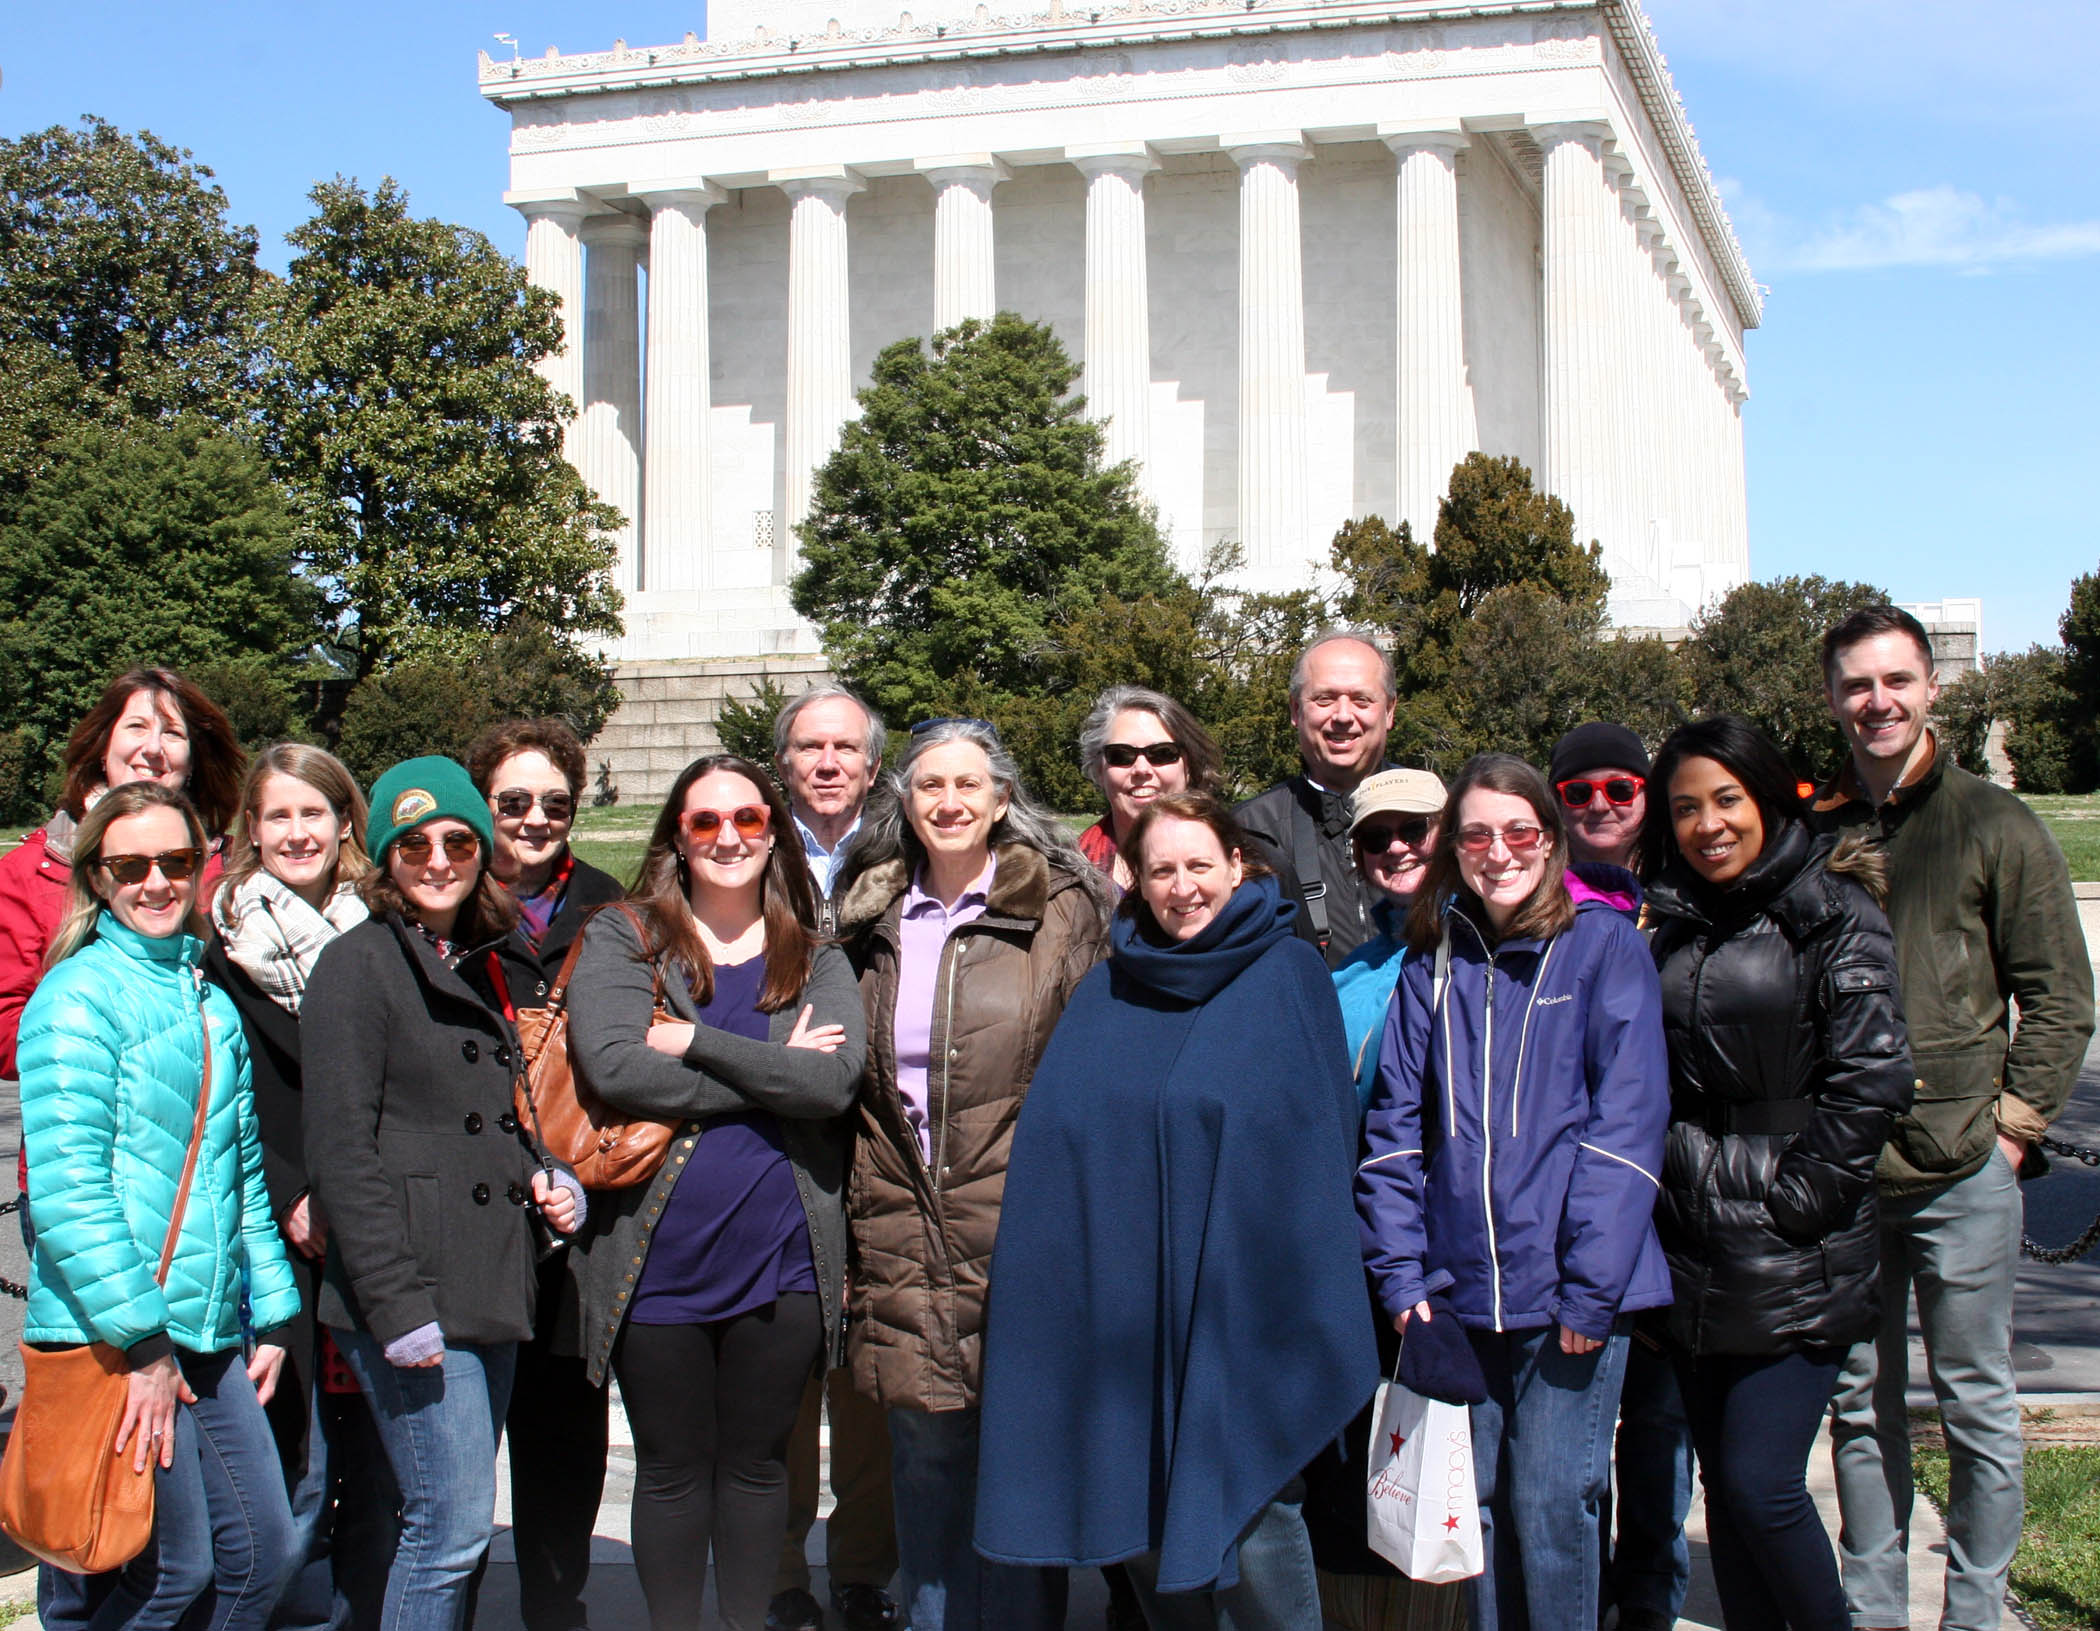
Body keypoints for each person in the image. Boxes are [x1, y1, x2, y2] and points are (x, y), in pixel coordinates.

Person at [976, 792, 1377, 1626]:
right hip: (1126, 1316)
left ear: (1240, 865)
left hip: (1247, 1306)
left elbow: (1313, 1149)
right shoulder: (1108, 989)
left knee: (1256, 1509)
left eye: (1201, 865)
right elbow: (1063, 1149)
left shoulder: (1286, 974)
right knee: (1142, 1515)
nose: (1184, 887)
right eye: (1163, 869)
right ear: (1135, 878)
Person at [1812, 606, 2094, 1631]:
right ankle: (1873, 1603)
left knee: (1976, 1402)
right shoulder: (1821, 829)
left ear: (1931, 687)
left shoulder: (1994, 825)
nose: (1876, 700)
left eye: (1895, 679)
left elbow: (2059, 994)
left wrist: (2013, 1131)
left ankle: (1976, 1606)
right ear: (1833, 697)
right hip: (1845, 1175)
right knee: (1858, 1405)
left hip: (1964, 1166)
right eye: (1856, 683)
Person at [1356, 753, 1673, 1631]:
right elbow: (1393, 1134)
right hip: (1459, 1296)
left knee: (1552, 1504)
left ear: (1551, 839)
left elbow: (1628, 1127)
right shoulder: (1434, 961)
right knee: (1478, 1507)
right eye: (1478, 835)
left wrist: (1592, 1284)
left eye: (1520, 832)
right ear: (1454, 848)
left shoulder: (1603, 946)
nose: (1500, 852)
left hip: (1571, 1293)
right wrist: (1404, 1278)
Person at [561, 754, 867, 1631]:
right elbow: (616, 1065)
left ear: (774, 832)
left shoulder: (816, 953)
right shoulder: (628, 937)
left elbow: (834, 1085)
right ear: (678, 838)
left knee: (757, 1465)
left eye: (748, 818)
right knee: (668, 1467)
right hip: (656, 1255)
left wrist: (694, 1046)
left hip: (784, 1254)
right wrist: (778, 1071)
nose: (729, 836)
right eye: (705, 822)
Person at [831, 719, 1112, 1631]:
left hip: (1024, 1225)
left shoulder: (1066, 906)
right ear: (904, 804)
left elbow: (1101, 1073)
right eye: (928, 786)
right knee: (926, 1464)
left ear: (1000, 799)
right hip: (901, 1227)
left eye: (967, 785)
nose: (948, 802)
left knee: (1025, 1472)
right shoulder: (866, 916)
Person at [1642, 717, 1912, 1631]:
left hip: (1791, 1243)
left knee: (1763, 1488)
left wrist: (1798, 1202)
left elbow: (1872, 1074)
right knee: (1724, 1489)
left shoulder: (1833, 906)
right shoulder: (1677, 913)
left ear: (1769, 795)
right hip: (1693, 1241)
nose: (1708, 824)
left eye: (1727, 800)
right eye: (1685, 808)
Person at [302, 757, 584, 1631]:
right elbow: (342, 1150)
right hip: (418, 1295)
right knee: (448, 1530)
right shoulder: (359, 963)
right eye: (413, 842)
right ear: (384, 857)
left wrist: (549, 1169)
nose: (437, 857)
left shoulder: (474, 957)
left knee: (448, 1526)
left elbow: (484, 1115)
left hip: (488, 1284)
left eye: (458, 839)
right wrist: (394, 1306)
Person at [19, 780, 301, 1630]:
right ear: (98, 877)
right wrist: (143, 1346)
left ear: (201, 867)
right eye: (130, 864)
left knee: (265, 1555)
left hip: (207, 1335)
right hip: (118, 1342)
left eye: (175, 861)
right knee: (176, 1569)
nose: (155, 881)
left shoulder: (207, 1000)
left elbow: (243, 1172)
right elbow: (70, 1198)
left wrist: (279, 1313)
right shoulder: (74, 999)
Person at [203, 745, 398, 1631]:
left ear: (345, 821)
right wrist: (293, 1191)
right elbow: (226, 1100)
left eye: (312, 812)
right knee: (296, 1469)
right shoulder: (220, 947)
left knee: (385, 1466)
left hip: (377, 1222)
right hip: (275, 1239)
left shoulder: (385, 931)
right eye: (276, 815)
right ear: (251, 829)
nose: (296, 832)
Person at [462, 719, 627, 1631]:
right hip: (469, 1200)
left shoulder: (610, 906)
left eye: (554, 803)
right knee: (454, 1436)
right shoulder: (443, 898)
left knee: (565, 1435)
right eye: (513, 802)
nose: (534, 819)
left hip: (577, 1209)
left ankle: (554, 1603)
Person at [1546, 721, 1690, 1631]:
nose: (1600, 804)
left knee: (1660, 1434)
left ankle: (1647, 1601)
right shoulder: (1539, 901)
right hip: (1584, 1208)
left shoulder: (1691, 899)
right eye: (1578, 791)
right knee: (1573, 1452)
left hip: (1680, 1203)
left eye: (1621, 788)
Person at [766, 687, 900, 1631]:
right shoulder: (747, 843)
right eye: (809, 746)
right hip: (770, 1128)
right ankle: (778, 1574)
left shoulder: (904, 851)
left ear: (870, 764)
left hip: (881, 1131)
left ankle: (863, 1571)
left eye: (844, 748)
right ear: (784, 762)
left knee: (868, 1376)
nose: (826, 762)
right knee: (780, 1372)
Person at [1237, 628, 1397, 967]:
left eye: (1361, 700)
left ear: (1389, 711)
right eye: (1324, 699)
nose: (1342, 716)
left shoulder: (1439, 816)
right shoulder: (1247, 832)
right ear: (1296, 710)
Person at [1331, 767, 1444, 1112]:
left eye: (1414, 829)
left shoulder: (1482, 949)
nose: (1396, 847)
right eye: (1376, 838)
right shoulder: (1350, 973)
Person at [1073, 685, 1226, 893]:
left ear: (1189, 765)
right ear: (1099, 769)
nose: (1141, 769)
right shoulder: (1068, 873)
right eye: (1121, 755)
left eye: (1162, 753)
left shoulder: (1234, 857)